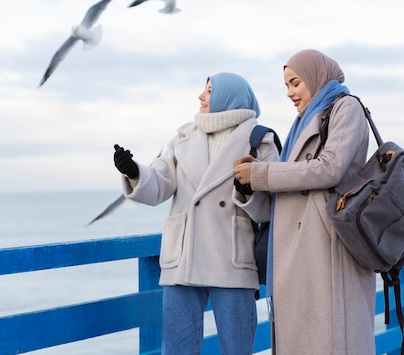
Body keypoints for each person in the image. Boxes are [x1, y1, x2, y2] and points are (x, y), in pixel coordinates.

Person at [113, 72, 280, 355]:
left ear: (230, 95)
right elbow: (161, 183)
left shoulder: (259, 139)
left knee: (237, 348)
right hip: (183, 258)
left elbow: (270, 207)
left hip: (231, 258)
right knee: (177, 349)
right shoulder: (184, 136)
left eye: (210, 91)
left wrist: (246, 191)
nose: (201, 97)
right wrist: (135, 172)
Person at [232, 49, 376, 354]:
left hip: (327, 244)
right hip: (300, 249)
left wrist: (262, 174)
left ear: (315, 76)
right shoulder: (305, 121)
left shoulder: (345, 107)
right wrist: (250, 180)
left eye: (295, 83)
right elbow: (294, 179)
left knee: (334, 338)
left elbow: (330, 167)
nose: (290, 93)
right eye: (286, 86)